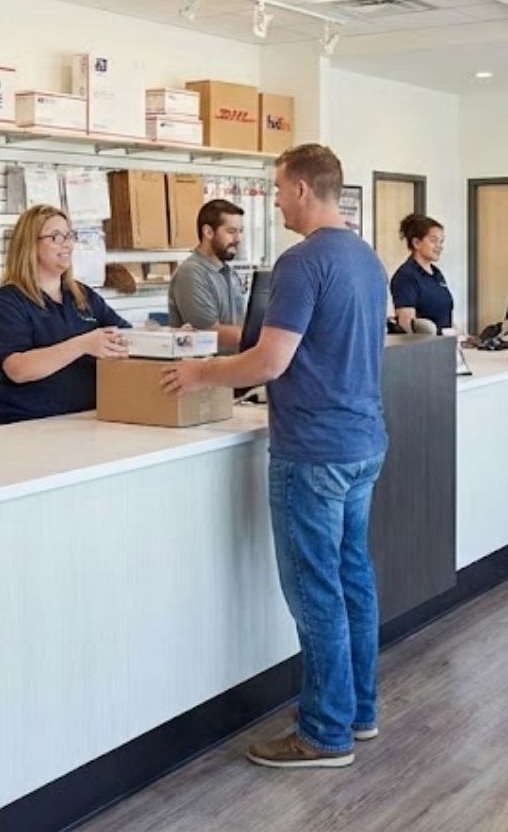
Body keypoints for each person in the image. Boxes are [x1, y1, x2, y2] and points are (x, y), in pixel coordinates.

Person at [162, 144, 388, 770]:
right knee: (352, 579)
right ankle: (355, 709)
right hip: (362, 441)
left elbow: (269, 361)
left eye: (280, 188)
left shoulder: (301, 262)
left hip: (314, 450)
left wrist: (200, 372)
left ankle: (323, 732)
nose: (276, 199)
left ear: (305, 191)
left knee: (316, 590)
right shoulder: (367, 259)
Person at [0, 204, 132, 424]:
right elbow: (18, 369)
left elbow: (124, 333)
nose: (67, 244)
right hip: (27, 427)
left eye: (69, 235)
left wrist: (166, 336)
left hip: (83, 421)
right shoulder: (9, 301)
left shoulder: (82, 296)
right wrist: (83, 344)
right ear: (30, 245)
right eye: (56, 237)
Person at [168, 198, 248, 350]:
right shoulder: (191, 273)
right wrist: (267, 336)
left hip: (235, 367)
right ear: (208, 232)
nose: (238, 239)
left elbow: (241, 322)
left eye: (240, 231)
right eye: (231, 231)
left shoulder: (229, 273)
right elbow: (210, 333)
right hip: (207, 370)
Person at [389, 213, 453, 334]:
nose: (439, 246)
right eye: (433, 241)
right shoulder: (406, 276)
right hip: (424, 348)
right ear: (416, 243)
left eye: (441, 241)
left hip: (444, 345)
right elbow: (407, 325)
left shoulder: (436, 274)